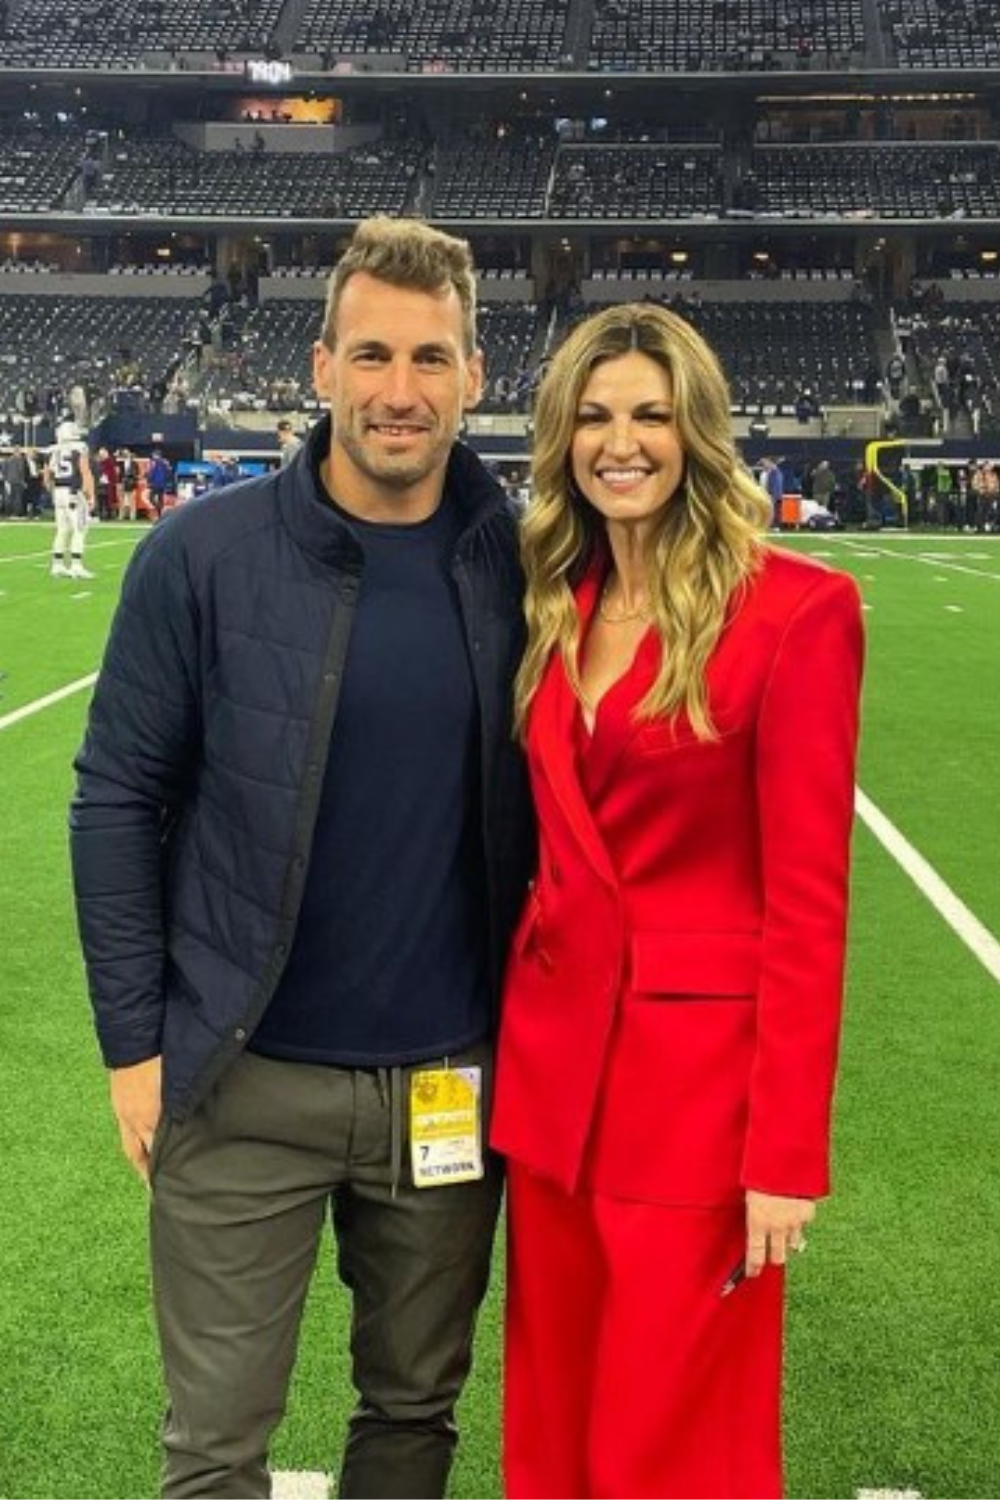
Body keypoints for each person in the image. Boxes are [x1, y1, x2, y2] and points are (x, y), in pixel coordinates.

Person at [69, 216, 534, 1500]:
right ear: (320, 366)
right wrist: (133, 1046)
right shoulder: (199, 556)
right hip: (243, 1078)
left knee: (411, 1419)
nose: (401, 391)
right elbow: (116, 796)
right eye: (372, 354)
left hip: (447, 1089)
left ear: (476, 375)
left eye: (431, 358)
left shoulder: (531, 569)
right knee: (215, 1448)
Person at [490, 302, 865, 1500]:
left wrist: (786, 1151)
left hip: (697, 1105)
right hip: (554, 1091)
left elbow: (810, 897)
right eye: (594, 416)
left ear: (697, 430)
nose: (621, 442)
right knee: (551, 1421)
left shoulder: (797, 612)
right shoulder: (553, 603)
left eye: (650, 415)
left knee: (673, 1439)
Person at [45, 419, 96, 578]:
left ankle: (57, 564)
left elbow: (47, 475)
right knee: (80, 529)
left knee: (62, 529)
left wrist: (52, 491)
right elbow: (85, 472)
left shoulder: (54, 450)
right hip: (73, 491)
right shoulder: (79, 448)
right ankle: (76, 565)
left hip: (58, 491)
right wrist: (90, 495)